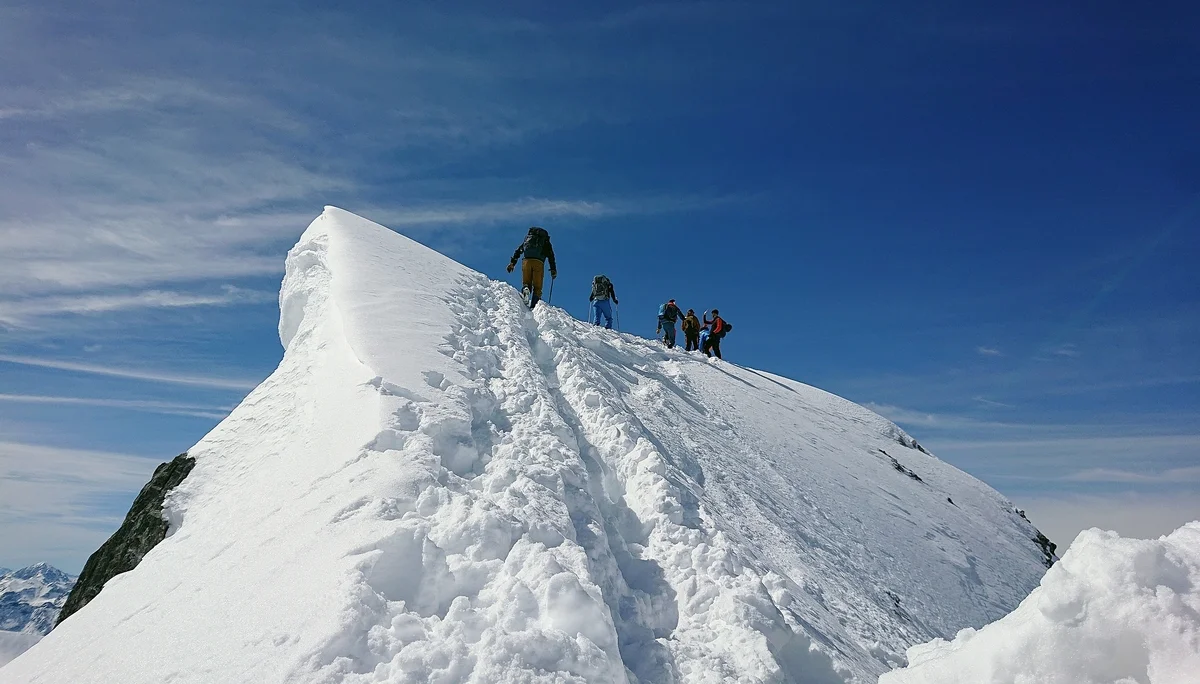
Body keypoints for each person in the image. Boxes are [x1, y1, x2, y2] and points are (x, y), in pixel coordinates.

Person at [507, 226, 557, 309]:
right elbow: (551, 256)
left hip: (526, 261)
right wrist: (553, 270)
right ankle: (534, 306)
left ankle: (526, 289)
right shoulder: (546, 242)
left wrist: (512, 263)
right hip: (538, 263)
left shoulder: (528, 239)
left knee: (526, 282)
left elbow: (519, 250)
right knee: (537, 287)